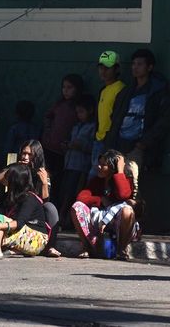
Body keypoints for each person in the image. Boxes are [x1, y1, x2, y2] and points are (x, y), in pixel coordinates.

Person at [105, 49, 170, 199]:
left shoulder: (157, 91)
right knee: (113, 184)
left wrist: (144, 142)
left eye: (140, 64)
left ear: (150, 67)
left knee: (130, 186)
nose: (135, 67)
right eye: (133, 64)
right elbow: (115, 117)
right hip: (120, 144)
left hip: (138, 146)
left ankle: (130, 218)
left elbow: (163, 120)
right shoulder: (127, 92)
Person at [70, 149, 140, 260]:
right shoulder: (96, 181)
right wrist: (100, 199)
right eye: (99, 164)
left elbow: (123, 194)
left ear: (113, 167)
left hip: (120, 224)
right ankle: (88, 246)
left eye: (103, 165)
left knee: (127, 211)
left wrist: (120, 172)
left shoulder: (125, 179)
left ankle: (121, 249)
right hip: (99, 223)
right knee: (76, 207)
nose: (99, 167)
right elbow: (81, 197)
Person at [0, 139, 60, 257]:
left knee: (50, 208)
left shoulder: (41, 172)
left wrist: (45, 183)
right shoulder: (16, 167)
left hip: (32, 211)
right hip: (14, 206)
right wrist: (14, 170)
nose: (25, 157)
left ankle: (50, 245)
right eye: (24, 153)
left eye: (29, 154)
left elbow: (44, 200)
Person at [0, 164, 48, 259]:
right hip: (18, 234)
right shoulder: (9, 196)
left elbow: (19, 223)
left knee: (0, 219)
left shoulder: (29, 198)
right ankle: (9, 248)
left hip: (35, 239)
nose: (5, 179)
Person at [41, 74, 82, 203]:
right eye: (64, 87)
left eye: (70, 87)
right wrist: (48, 131)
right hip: (49, 148)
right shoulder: (59, 104)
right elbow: (48, 117)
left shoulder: (78, 108)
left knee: (59, 184)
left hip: (64, 153)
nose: (65, 90)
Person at [58, 96, 96, 229]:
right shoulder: (76, 126)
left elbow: (93, 147)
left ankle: (70, 222)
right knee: (65, 193)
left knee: (74, 194)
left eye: (81, 112)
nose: (79, 115)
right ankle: (62, 220)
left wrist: (80, 146)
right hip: (69, 164)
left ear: (90, 111)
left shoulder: (93, 127)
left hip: (81, 167)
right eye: (77, 112)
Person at [88, 50, 126, 180]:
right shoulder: (103, 90)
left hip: (109, 142)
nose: (103, 71)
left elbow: (118, 118)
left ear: (116, 69)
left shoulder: (120, 89)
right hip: (98, 140)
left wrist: (110, 140)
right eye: (101, 67)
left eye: (107, 68)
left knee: (98, 178)